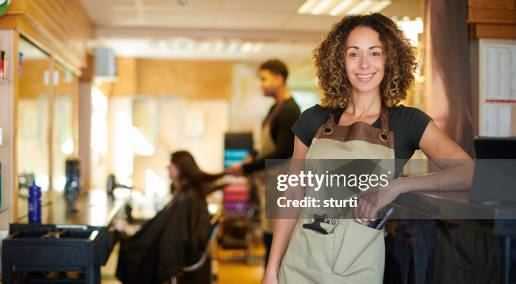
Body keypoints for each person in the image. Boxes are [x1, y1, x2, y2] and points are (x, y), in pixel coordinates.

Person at [263, 13, 473, 284]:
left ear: (390, 59)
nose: (364, 64)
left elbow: (468, 172)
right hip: (299, 263)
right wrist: (272, 270)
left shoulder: (408, 122)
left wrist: (396, 186)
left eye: (375, 53)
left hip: (357, 269)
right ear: (340, 60)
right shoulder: (313, 119)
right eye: (353, 54)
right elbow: (293, 194)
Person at [224, 59, 301, 265]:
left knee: (276, 242)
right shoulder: (274, 109)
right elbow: (268, 146)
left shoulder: (290, 111)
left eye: (264, 79)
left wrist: (246, 167)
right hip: (270, 182)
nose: (261, 84)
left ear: (279, 79)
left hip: (282, 184)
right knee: (269, 238)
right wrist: (254, 157)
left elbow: (284, 151)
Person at [117, 151, 223, 284]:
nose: (168, 167)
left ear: (181, 168)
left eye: (171, 164)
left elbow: (172, 235)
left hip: (182, 254)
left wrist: (130, 237)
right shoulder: (189, 194)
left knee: (136, 253)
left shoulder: (186, 197)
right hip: (186, 251)